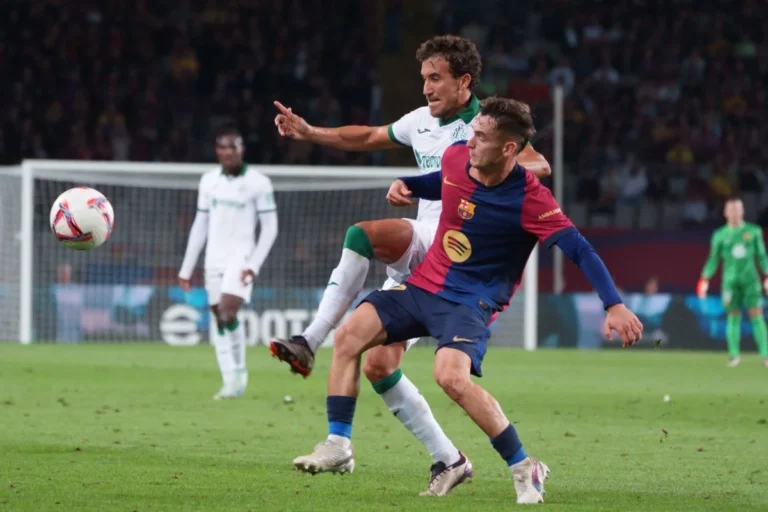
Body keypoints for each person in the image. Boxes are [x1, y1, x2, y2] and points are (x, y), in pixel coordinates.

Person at [292, 97, 643, 504]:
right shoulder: (460, 157)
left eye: (481, 136)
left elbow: (580, 250)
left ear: (509, 148)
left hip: (470, 302)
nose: (470, 140)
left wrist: (613, 304)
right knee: (350, 335)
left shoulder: (532, 198)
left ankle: (523, 465)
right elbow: (441, 178)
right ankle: (338, 444)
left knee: (451, 378)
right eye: (472, 131)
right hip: (424, 286)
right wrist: (407, 184)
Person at [270, 35, 550, 496]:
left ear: (464, 82)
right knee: (377, 364)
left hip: (454, 248)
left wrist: (478, 173)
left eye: (435, 78)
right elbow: (368, 136)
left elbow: (538, 166)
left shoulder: (488, 128)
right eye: (424, 78)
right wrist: (310, 132)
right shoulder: (421, 122)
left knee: (363, 234)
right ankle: (448, 458)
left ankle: (309, 339)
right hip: (423, 263)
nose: (426, 88)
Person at [178, 126, 279, 399]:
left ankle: (239, 374)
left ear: (241, 149)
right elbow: (200, 224)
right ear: (217, 151)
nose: (227, 152)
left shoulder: (259, 183)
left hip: (241, 258)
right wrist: (187, 267)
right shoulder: (209, 181)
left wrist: (254, 264)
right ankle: (230, 378)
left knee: (227, 312)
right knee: (218, 317)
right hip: (214, 257)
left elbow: (270, 228)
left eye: (232, 147)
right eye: (222, 147)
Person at [697, 197, 768, 367]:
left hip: (751, 281)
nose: (735, 213)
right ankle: (734, 355)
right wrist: (704, 279)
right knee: (733, 316)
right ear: (725, 212)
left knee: (756, 315)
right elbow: (713, 259)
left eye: (738, 209)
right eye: (731, 209)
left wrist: (767, 275)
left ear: (743, 211)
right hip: (730, 282)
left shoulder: (754, 231)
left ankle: (765, 354)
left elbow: (762, 256)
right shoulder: (720, 235)